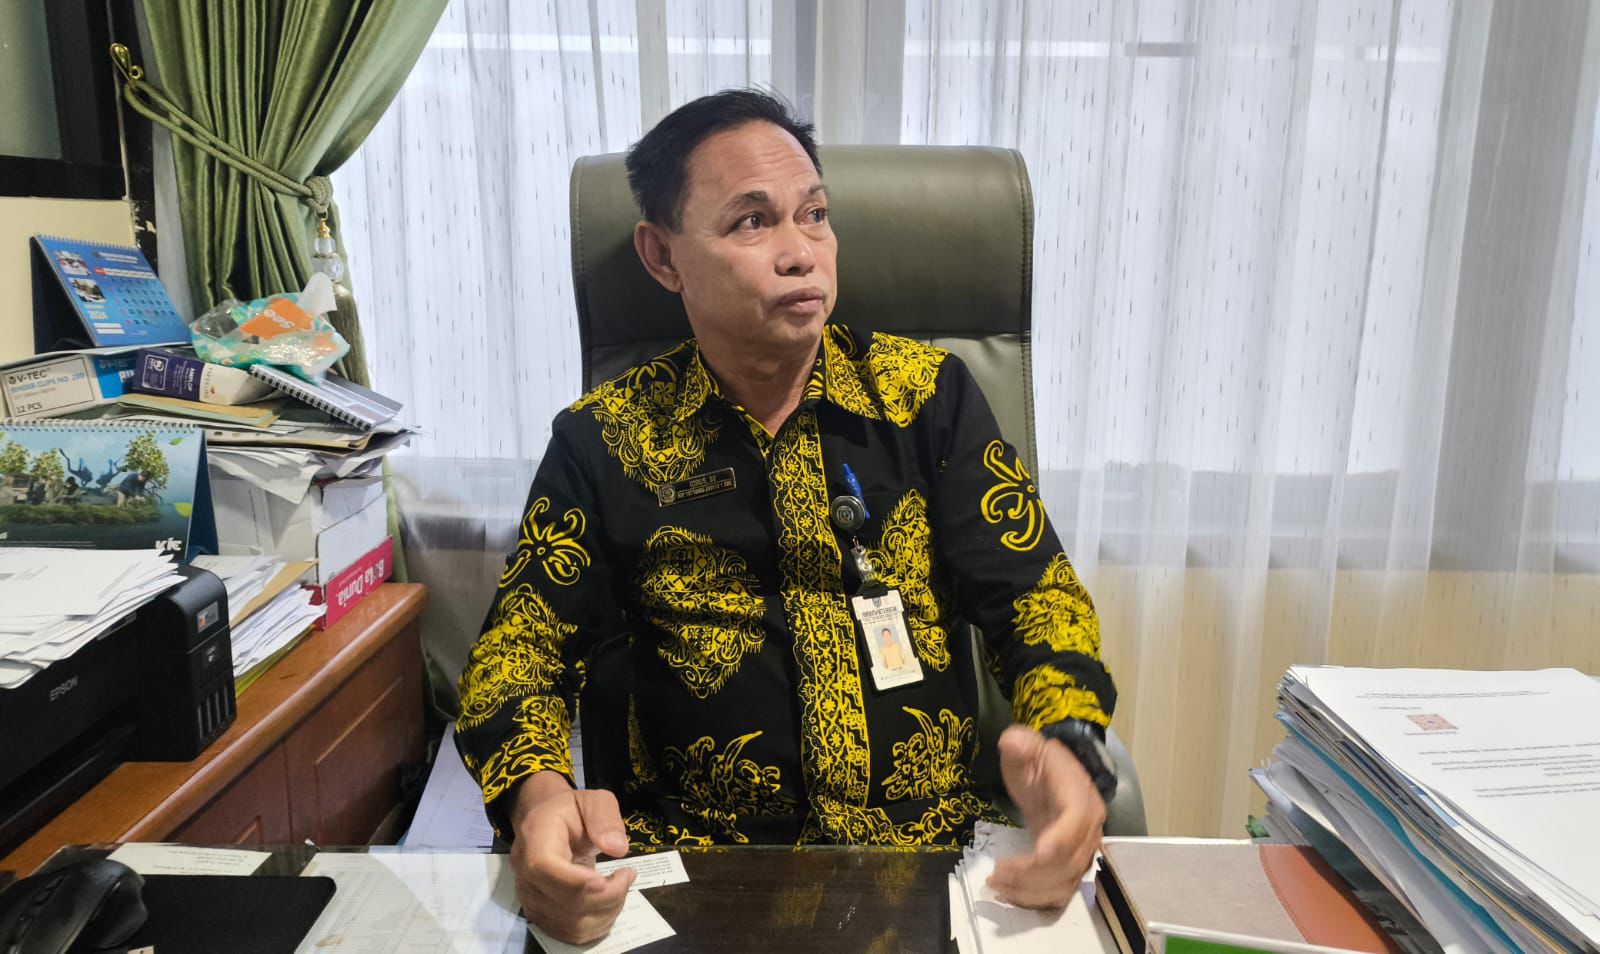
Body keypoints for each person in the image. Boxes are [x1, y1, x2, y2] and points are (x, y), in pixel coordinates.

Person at [455, 89, 1117, 945]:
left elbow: (1036, 597)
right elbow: (517, 657)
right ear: (662, 256)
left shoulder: (926, 399)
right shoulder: (605, 439)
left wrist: (1069, 741)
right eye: (752, 222)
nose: (803, 253)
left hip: (921, 869)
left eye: (816, 216)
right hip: (694, 877)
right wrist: (539, 797)